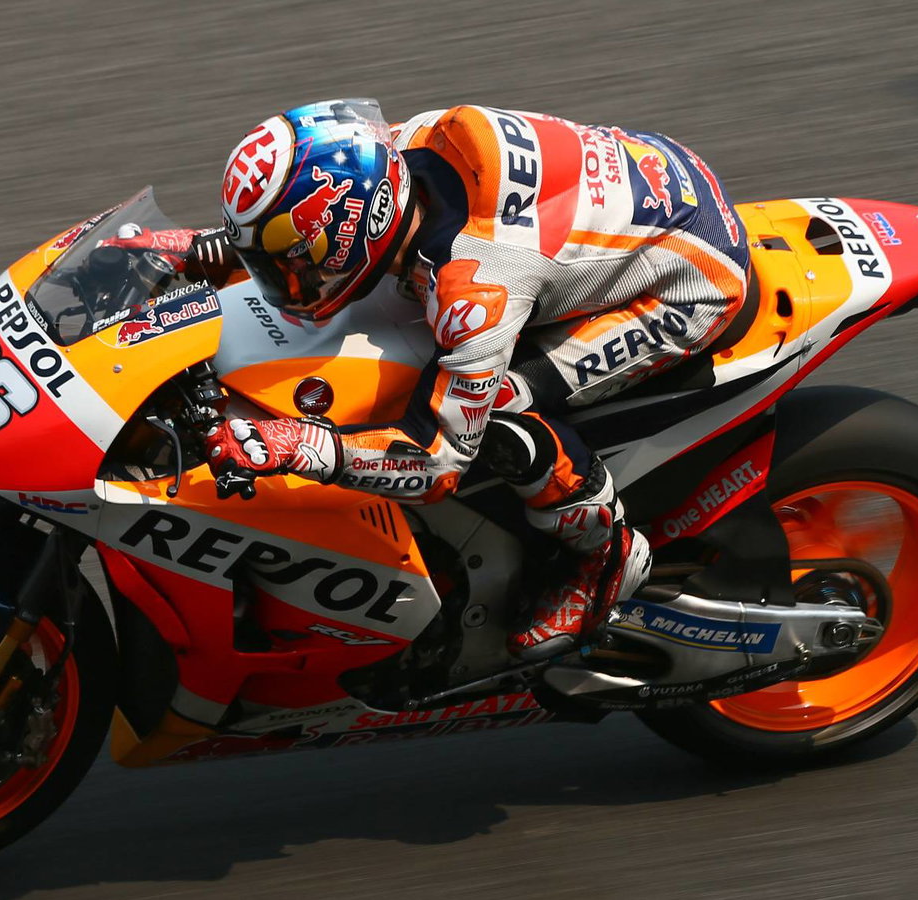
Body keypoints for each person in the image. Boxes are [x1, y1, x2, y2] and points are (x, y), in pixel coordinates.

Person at [110, 99, 750, 661]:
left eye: (290, 261)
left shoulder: (476, 286)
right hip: (655, 185)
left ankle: (605, 556)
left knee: (500, 408)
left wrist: (296, 444)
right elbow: (314, 216)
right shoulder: (398, 149)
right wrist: (209, 248)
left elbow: (437, 462)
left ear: (352, 229)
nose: (284, 278)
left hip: (691, 282)